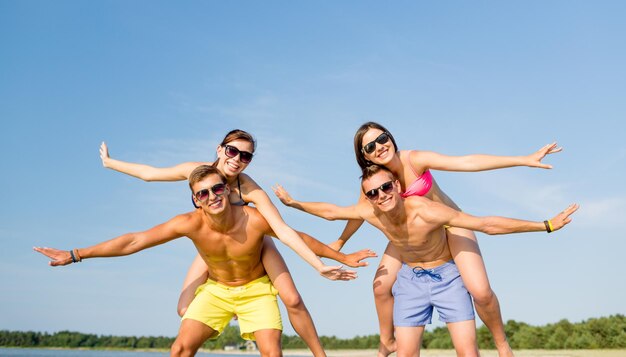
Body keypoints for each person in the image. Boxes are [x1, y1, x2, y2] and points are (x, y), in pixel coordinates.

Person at [273, 121, 563, 357]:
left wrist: (523, 160)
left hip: (450, 224)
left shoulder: (413, 160)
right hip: (409, 233)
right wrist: (337, 240)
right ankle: (387, 341)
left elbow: (467, 162)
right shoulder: (373, 183)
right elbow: (351, 213)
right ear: (365, 157)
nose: (380, 147)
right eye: (370, 146)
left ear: (391, 137)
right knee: (380, 286)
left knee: (481, 291)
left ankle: (501, 344)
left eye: (383, 138)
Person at [99, 130, 376, 357]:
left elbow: (284, 230)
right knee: (184, 310)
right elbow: (150, 173)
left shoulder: (249, 188)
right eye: (232, 151)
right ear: (220, 149)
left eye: (246, 156)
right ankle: (233, 305)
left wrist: (325, 262)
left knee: (291, 298)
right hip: (214, 246)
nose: (238, 159)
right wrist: (112, 163)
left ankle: (319, 355)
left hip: (254, 243)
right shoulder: (197, 172)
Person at [34, 165, 358, 357]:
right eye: (203, 193)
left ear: (227, 190)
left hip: (257, 289)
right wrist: (76, 254)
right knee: (179, 350)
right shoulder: (189, 222)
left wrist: (333, 259)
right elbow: (135, 240)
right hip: (216, 290)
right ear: (195, 199)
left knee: (272, 352)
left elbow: (295, 235)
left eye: (217, 188)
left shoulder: (253, 217)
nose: (212, 196)